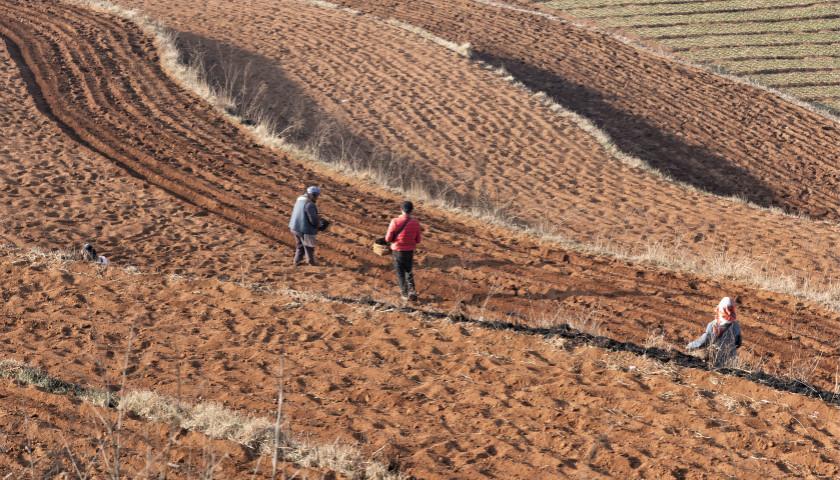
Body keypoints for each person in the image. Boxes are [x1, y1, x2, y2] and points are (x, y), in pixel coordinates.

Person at [686, 296, 742, 368]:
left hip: (715, 363)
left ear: (720, 309)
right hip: (731, 363)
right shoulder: (736, 326)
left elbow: (703, 341)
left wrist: (690, 346)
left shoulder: (713, 325)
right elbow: (738, 343)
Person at [385, 201, 422, 301]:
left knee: (400, 272)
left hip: (398, 250)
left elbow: (388, 238)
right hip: (410, 251)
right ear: (411, 210)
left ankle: (405, 294)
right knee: (408, 271)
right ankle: (412, 291)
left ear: (401, 209)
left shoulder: (395, 221)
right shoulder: (415, 222)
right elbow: (418, 240)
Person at [289, 186, 322, 266]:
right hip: (304, 229)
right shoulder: (309, 204)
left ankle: (297, 261)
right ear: (311, 194)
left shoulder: (299, 199)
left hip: (294, 227)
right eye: (315, 195)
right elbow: (313, 220)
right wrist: (319, 224)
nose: (316, 197)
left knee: (300, 245)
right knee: (309, 246)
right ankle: (311, 262)